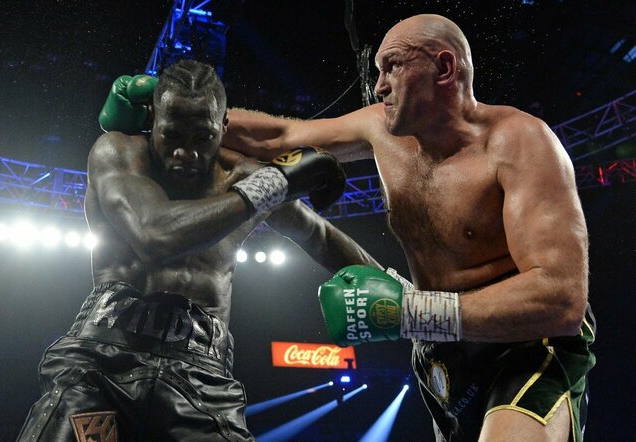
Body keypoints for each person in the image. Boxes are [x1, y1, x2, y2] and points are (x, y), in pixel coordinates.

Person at [221, 14, 596, 442]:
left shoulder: (519, 142)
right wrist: (190, 115)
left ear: (444, 68)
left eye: (392, 66)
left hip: (529, 346)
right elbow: (282, 135)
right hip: (442, 354)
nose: (379, 85)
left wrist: (410, 313)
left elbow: (562, 298)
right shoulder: (379, 130)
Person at [16, 59, 380, 442]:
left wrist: (410, 302)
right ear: (153, 119)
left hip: (201, 379)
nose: (184, 153)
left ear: (223, 127)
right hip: (102, 367)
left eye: (201, 138)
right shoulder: (119, 154)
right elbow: (153, 234)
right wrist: (271, 185)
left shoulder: (244, 177)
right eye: (171, 135)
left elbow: (319, 236)